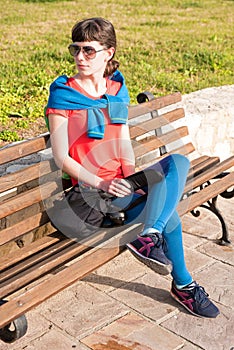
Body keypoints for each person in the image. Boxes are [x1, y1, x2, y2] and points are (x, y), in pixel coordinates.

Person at [45, 17, 220, 318]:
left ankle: (149, 233)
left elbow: (123, 139)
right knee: (172, 216)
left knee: (178, 162)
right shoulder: (63, 95)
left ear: (108, 53)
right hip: (87, 193)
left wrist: (130, 174)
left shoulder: (116, 88)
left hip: (118, 183)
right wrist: (101, 183)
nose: (79, 57)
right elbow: (62, 157)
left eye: (89, 51)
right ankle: (184, 286)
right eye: (75, 49)